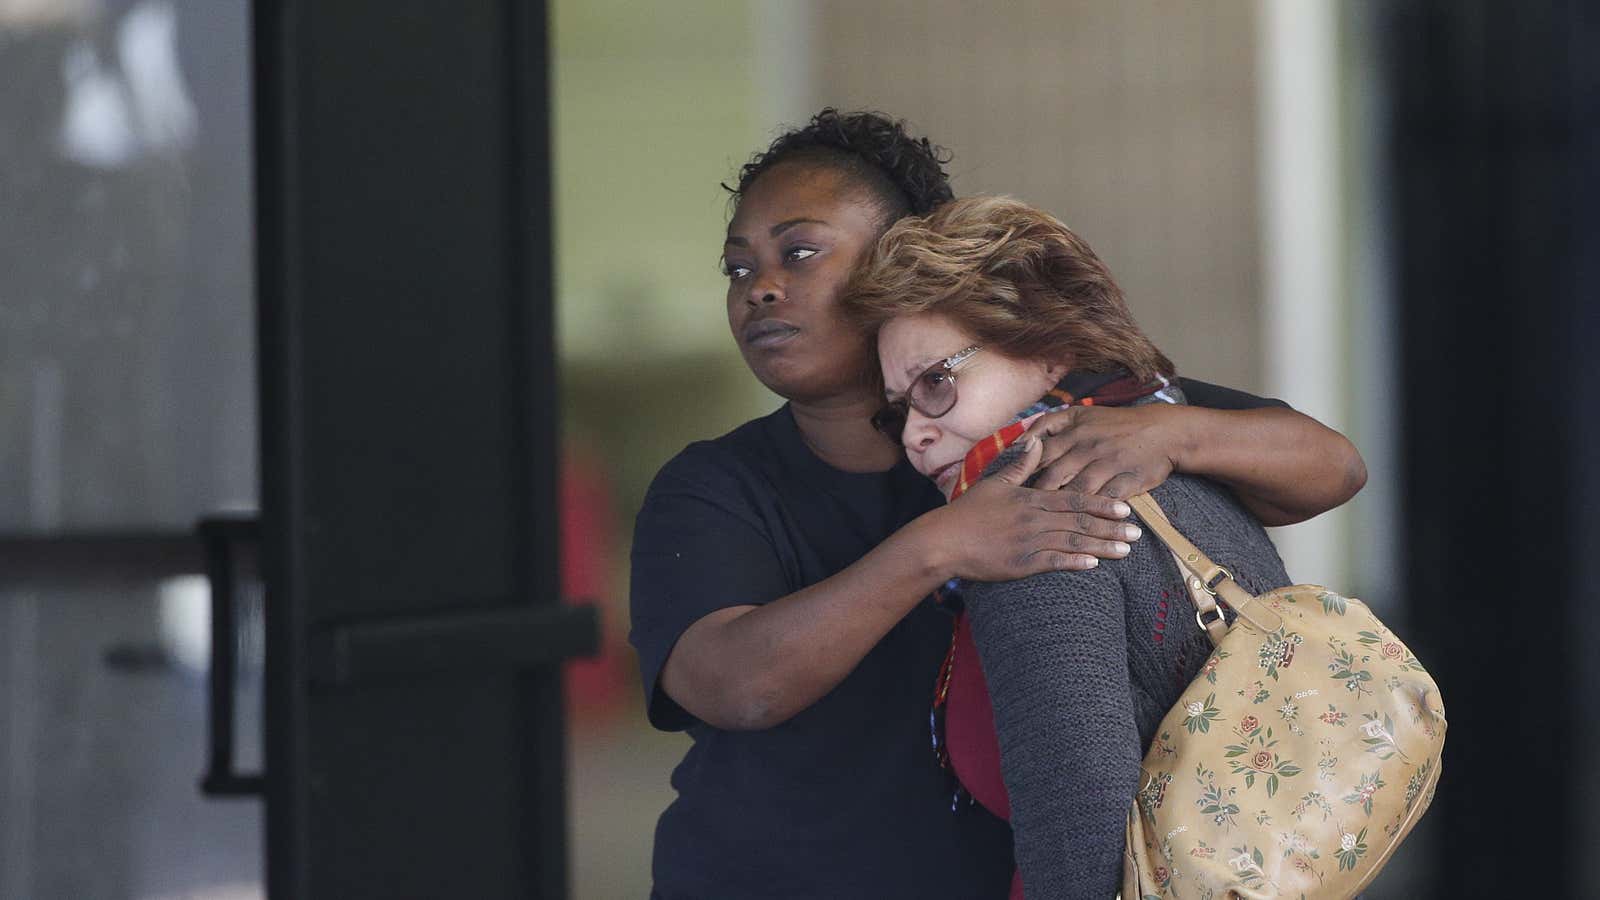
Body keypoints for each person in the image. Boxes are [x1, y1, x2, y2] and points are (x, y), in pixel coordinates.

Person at [628, 110, 1365, 900]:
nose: (761, 287)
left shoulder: (1063, 423)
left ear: (897, 260)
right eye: (737, 269)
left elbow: (1334, 467)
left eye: (799, 252)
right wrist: (942, 545)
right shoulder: (714, 486)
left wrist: (1172, 430)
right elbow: (737, 685)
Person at [845, 194, 1301, 899]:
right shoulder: (1186, 465)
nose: (913, 437)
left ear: (1048, 348)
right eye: (897, 411)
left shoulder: (1034, 518)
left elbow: (1080, 834)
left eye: (936, 382)